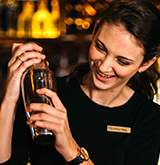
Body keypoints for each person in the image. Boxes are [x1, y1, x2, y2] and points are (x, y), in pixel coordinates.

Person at [1, 0, 160, 164]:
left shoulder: (148, 118)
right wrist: (10, 99)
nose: (104, 67)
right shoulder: (49, 94)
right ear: (95, 30)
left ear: (145, 64)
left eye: (122, 61)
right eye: (100, 47)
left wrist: (69, 148)